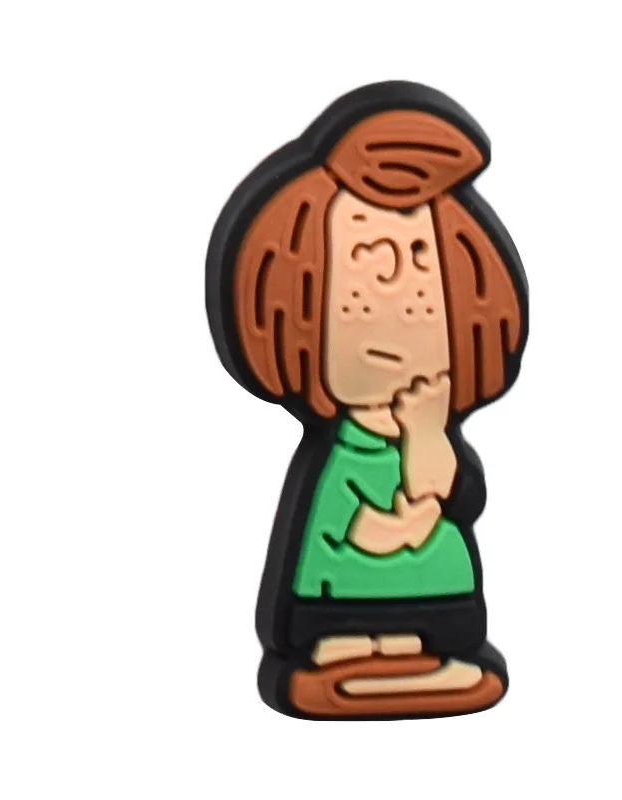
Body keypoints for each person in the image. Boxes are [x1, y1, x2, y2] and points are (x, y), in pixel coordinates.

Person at [206, 82, 529, 718]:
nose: (393, 288)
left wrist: (430, 442)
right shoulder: (342, 456)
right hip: (337, 598)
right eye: (362, 261)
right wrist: (400, 527)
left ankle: (411, 657)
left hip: (441, 603)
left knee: (428, 634)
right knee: (346, 634)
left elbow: (463, 496)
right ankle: (349, 658)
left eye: (418, 257)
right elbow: (351, 526)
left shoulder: (431, 428)